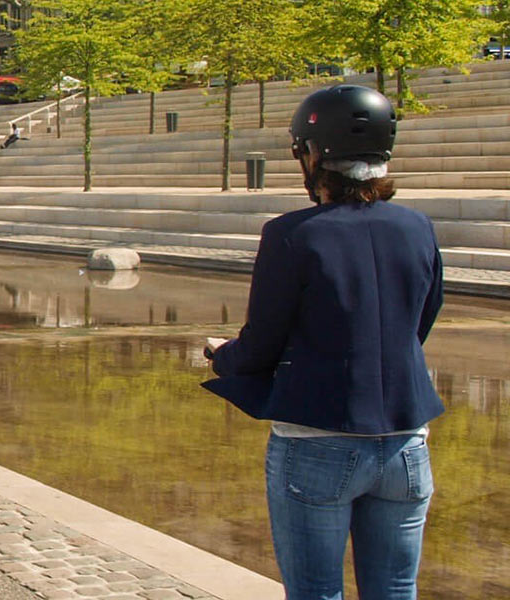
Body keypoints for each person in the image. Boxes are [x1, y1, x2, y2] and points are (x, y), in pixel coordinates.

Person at [202, 84, 440, 600]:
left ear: (314, 155)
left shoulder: (293, 234)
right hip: (405, 442)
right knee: (397, 589)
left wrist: (224, 356)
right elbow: (417, 324)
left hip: (317, 442)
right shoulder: (418, 227)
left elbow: (262, 343)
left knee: (315, 591)